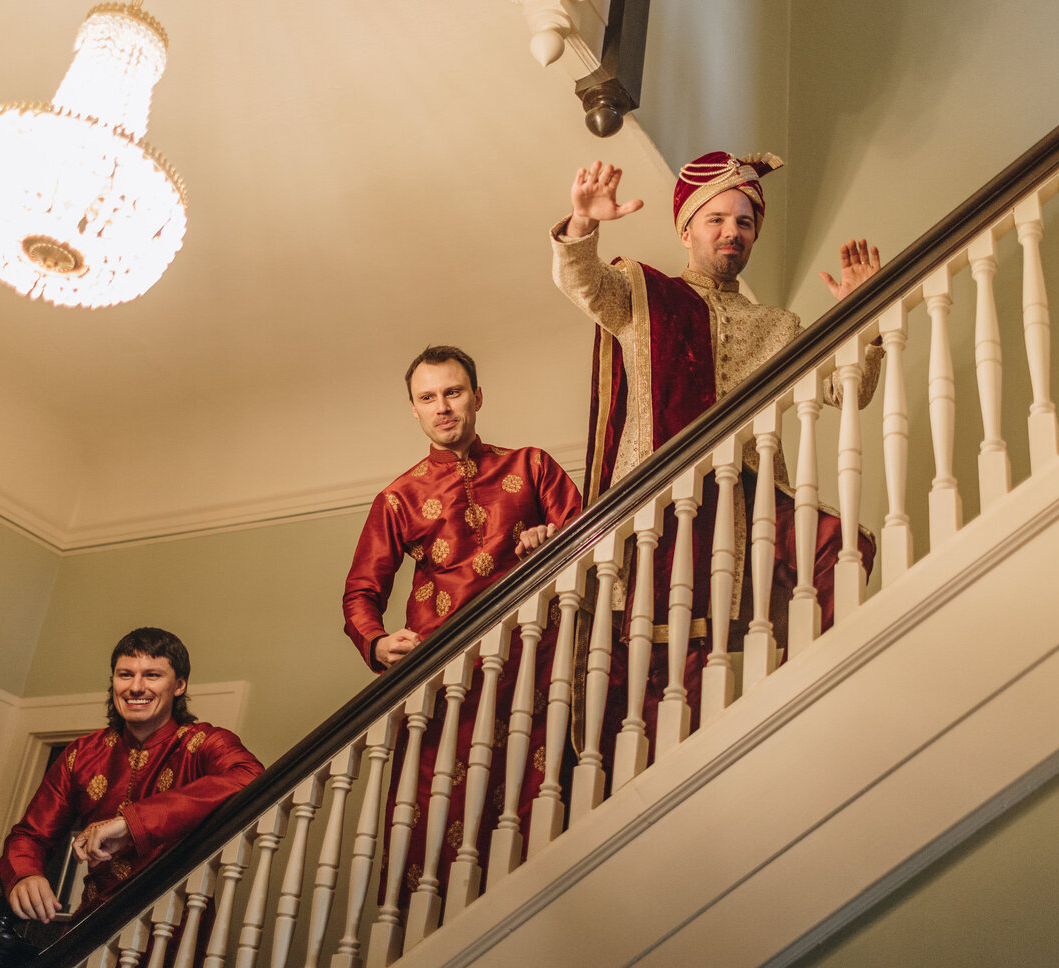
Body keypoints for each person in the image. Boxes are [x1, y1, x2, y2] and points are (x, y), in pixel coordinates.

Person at [550, 152, 883, 751]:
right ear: (686, 228)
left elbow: (846, 388)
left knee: (844, 545)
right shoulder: (642, 295)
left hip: (749, 497)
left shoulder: (779, 327)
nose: (733, 231)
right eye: (717, 219)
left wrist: (868, 313)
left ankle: (815, 681)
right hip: (658, 497)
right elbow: (583, 284)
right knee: (654, 656)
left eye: (746, 222)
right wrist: (582, 228)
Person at [343, 344, 582, 906]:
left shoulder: (532, 465)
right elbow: (360, 591)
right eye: (428, 397)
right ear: (414, 410)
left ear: (477, 397)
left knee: (536, 798)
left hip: (534, 663)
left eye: (453, 392)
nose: (443, 406)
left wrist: (552, 543)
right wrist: (377, 643)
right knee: (436, 810)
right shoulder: (398, 497)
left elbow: (590, 538)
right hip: (446, 681)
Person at [0, 627, 264, 924]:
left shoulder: (203, 743)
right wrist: (25, 874)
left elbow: (250, 776)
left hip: (174, 927)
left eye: (152, 675)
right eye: (125, 674)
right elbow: (30, 835)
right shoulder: (82, 754)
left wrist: (131, 823)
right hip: (92, 924)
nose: (136, 687)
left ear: (179, 685)